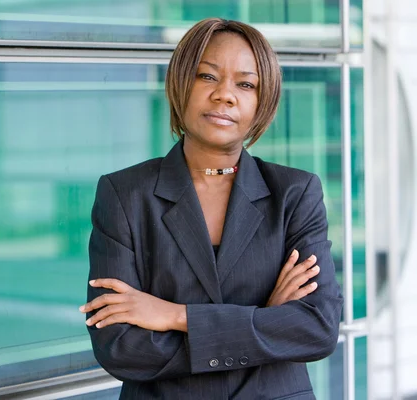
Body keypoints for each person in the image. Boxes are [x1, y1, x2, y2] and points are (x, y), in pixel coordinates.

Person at [80, 18, 343, 399]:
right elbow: (119, 348)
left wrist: (175, 316)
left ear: (261, 101)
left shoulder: (295, 193)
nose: (225, 95)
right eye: (207, 77)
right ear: (180, 82)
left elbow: (318, 328)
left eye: (246, 84)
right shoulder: (124, 194)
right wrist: (265, 320)